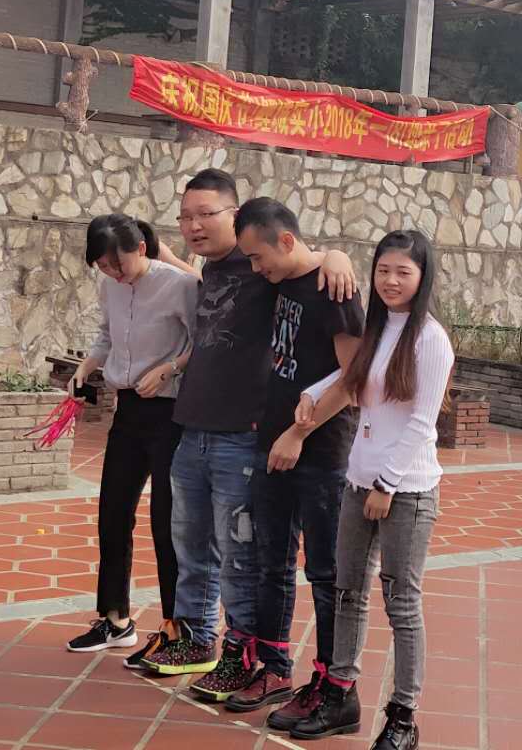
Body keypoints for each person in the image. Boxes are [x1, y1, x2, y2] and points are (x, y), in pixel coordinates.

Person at [139, 169, 358, 682]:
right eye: (185, 217)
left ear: (234, 216)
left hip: (246, 436)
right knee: (192, 545)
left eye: (204, 214)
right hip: (193, 428)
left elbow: (305, 261)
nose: (193, 226)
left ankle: (247, 654)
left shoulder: (265, 263)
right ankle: (197, 639)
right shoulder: (214, 268)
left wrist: (338, 255)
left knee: (243, 556)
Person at [289, 230, 452, 750]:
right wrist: (310, 394)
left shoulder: (430, 339)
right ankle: (340, 695)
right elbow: (357, 378)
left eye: (403, 272)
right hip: (359, 482)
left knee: (401, 602)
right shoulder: (377, 329)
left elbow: (423, 423)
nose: (391, 281)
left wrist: (386, 484)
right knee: (348, 592)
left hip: (406, 490)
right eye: (383, 270)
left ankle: (403, 718)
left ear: (423, 277)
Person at [212, 198, 367, 719]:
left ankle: (331, 684)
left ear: (284, 240)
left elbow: (353, 380)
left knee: (325, 572)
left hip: (321, 453)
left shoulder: (334, 288)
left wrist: (298, 434)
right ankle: (275, 669)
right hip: (274, 447)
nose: (257, 268)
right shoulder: (281, 280)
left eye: (259, 257)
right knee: (270, 561)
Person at [63, 215, 199, 664]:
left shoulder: (179, 285)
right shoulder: (111, 287)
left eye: (117, 264)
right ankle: (115, 619)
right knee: (113, 512)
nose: (112, 273)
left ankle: (176, 628)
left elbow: (205, 342)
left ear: (141, 248)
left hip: (170, 412)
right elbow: (106, 335)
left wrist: (170, 369)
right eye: (103, 266)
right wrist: (86, 368)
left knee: (166, 522)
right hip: (128, 409)